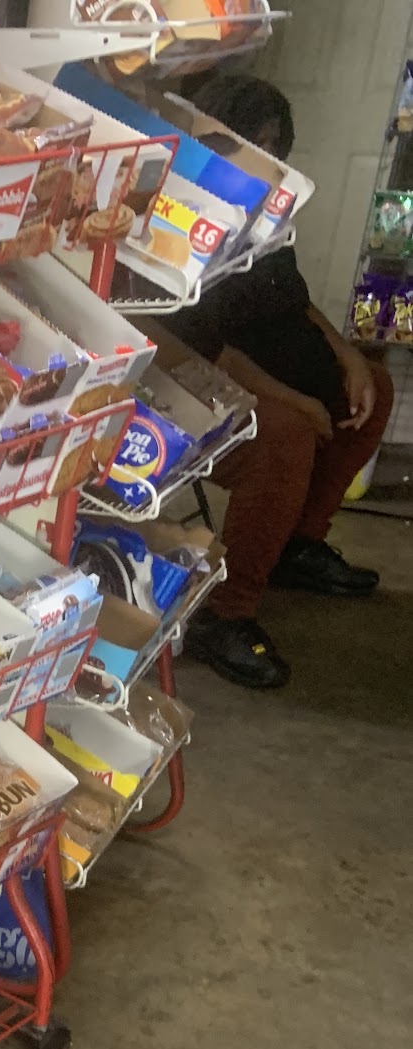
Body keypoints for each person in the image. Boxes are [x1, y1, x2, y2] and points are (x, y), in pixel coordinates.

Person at [169, 73, 392, 691]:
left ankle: (296, 544)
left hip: (271, 364)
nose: (266, 158)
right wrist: (292, 400)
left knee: (373, 388)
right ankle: (225, 613)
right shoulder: (187, 210)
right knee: (284, 436)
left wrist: (346, 354)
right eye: (253, 141)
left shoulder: (266, 210)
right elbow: (206, 344)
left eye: (275, 146)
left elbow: (291, 297)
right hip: (200, 374)